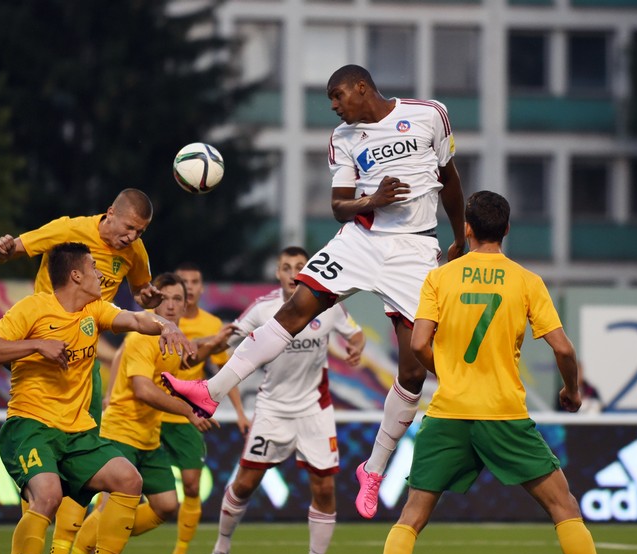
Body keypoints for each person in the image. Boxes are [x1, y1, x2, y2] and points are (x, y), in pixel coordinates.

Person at [162, 64, 466, 520]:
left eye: (338, 95)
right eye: (331, 100)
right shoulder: (343, 138)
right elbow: (340, 205)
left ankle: (374, 469)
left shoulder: (430, 114)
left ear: (362, 87)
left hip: (416, 249)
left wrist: (459, 238)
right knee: (293, 310)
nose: (334, 106)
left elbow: (451, 178)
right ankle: (212, 391)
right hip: (363, 239)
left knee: (413, 370)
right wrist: (373, 201)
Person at [364, 191, 637, 554]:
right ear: (507, 229)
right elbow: (563, 349)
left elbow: (417, 344)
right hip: (503, 415)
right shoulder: (525, 281)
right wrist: (571, 390)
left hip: (449, 412)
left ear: (467, 229)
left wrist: (450, 373)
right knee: (563, 506)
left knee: (412, 515)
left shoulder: (440, 278)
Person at [0, 242, 194, 554]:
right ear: (75, 275)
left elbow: (136, 320)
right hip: (31, 425)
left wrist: (167, 325)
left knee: (129, 480)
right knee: (48, 497)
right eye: (93, 267)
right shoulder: (32, 308)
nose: (100, 274)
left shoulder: (95, 309)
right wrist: (36, 344)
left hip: (77, 432)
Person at [0, 187, 162, 554]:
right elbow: (14, 249)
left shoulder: (135, 251)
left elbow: (141, 292)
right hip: (44, 347)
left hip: (85, 354)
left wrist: (149, 299)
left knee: (80, 466)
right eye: (129, 228)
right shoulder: (69, 231)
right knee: (43, 476)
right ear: (110, 213)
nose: (132, 238)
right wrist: (1, 251)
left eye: (140, 232)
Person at [200, 246, 365, 554]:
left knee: (325, 487)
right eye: (286, 267)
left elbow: (355, 331)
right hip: (272, 409)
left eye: (299, 266)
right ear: (277, 273)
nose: (293, 273)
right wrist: (208, 346)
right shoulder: (263, 309)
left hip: (315, 409)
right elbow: (228, 340)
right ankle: (221, 548)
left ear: (308, 271)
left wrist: (356, 345)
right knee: (245, 484)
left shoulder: (329, 305)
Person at [67, 273, 223, 554]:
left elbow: (186, 363)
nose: (171, 305)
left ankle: (100, 544)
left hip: (149, 437)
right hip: (121, 432)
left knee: (166, 505)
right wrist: (189, 410)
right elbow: (143, 389)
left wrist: (216, 343)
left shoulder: (172, 340)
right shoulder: (142, 337)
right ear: (154, 303)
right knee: (111, 506)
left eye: (178, 299)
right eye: (165, 298)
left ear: (186, 305)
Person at [161, 262, 246, 554]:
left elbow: (226, 371)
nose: (189, 288)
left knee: (192, 486)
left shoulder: (211, 323)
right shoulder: (156, 320)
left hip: (187, 417)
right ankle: (92, 552)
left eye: (195, 282)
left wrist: (239, 412)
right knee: (125, 486)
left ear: (200, 287)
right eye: (183, 282)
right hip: (151, 412)